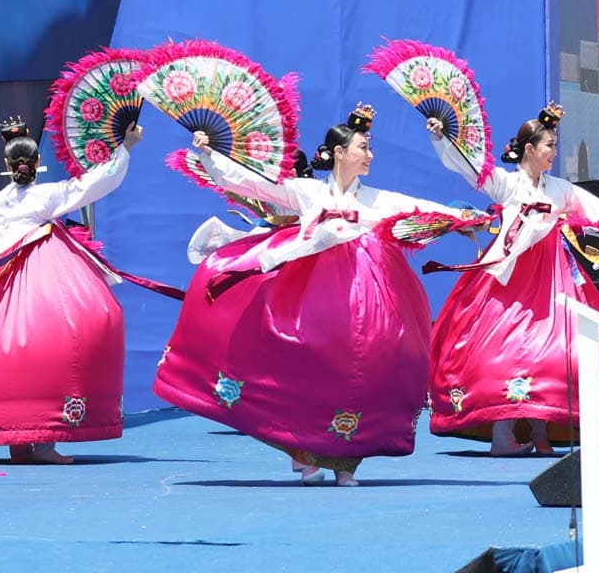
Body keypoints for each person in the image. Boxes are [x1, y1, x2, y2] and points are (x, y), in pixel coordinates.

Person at [155, 105, 466, 485]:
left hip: (359, 301)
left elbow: (420, 210)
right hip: (309, 298)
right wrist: (210, 153)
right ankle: (303, 453)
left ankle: (345, 463)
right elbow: (251, 183)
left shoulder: (377, 199)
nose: (369, 155)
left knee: (358, 374)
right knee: (302, 370)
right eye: (363, 147)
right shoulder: (308, 192)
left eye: (369, 149)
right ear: (339, 152)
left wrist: (462, 220)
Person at [425, 104, 599, 455]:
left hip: (551, 279)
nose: (554, 153)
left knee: (552, 350)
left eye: (555, 145)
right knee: (498, 349)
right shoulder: (506, 184)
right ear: (529, 149)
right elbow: (471, 168)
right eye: (549, 146)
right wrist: (443, 139)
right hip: (508, 278)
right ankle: (502, 435)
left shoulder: (559, 189)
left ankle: (541, 431)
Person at [0, 117, 144, 463]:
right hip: (45, 273)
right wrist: (126, 147)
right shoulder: (48, 194)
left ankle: (18, 443)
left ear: (6, 166)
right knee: (53, 342)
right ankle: (43, 442)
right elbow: (94, 183)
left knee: (2, 349)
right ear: (37, 164)